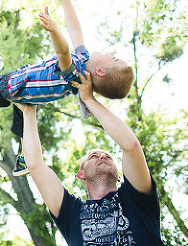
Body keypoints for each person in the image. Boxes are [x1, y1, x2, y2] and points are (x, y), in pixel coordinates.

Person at [0, 0, 134, 174]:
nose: (111, 52)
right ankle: (23, 159)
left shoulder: (77, 75)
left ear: (100, 71)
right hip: (29, 96)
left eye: (114, 58)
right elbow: (75, 29)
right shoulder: (84, 62)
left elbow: (63, 52)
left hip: (13, 83)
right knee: (23, 115)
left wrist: (54, 31)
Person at [13, 71, 165, 245]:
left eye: (108, 156)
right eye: (94, 156)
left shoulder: (137, 198)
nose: (102, 156)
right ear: (81, 174)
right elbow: (34, 165)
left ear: (119, 176)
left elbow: (131, 146)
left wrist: (88, 99)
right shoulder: (71, 212)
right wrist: (29, 111)